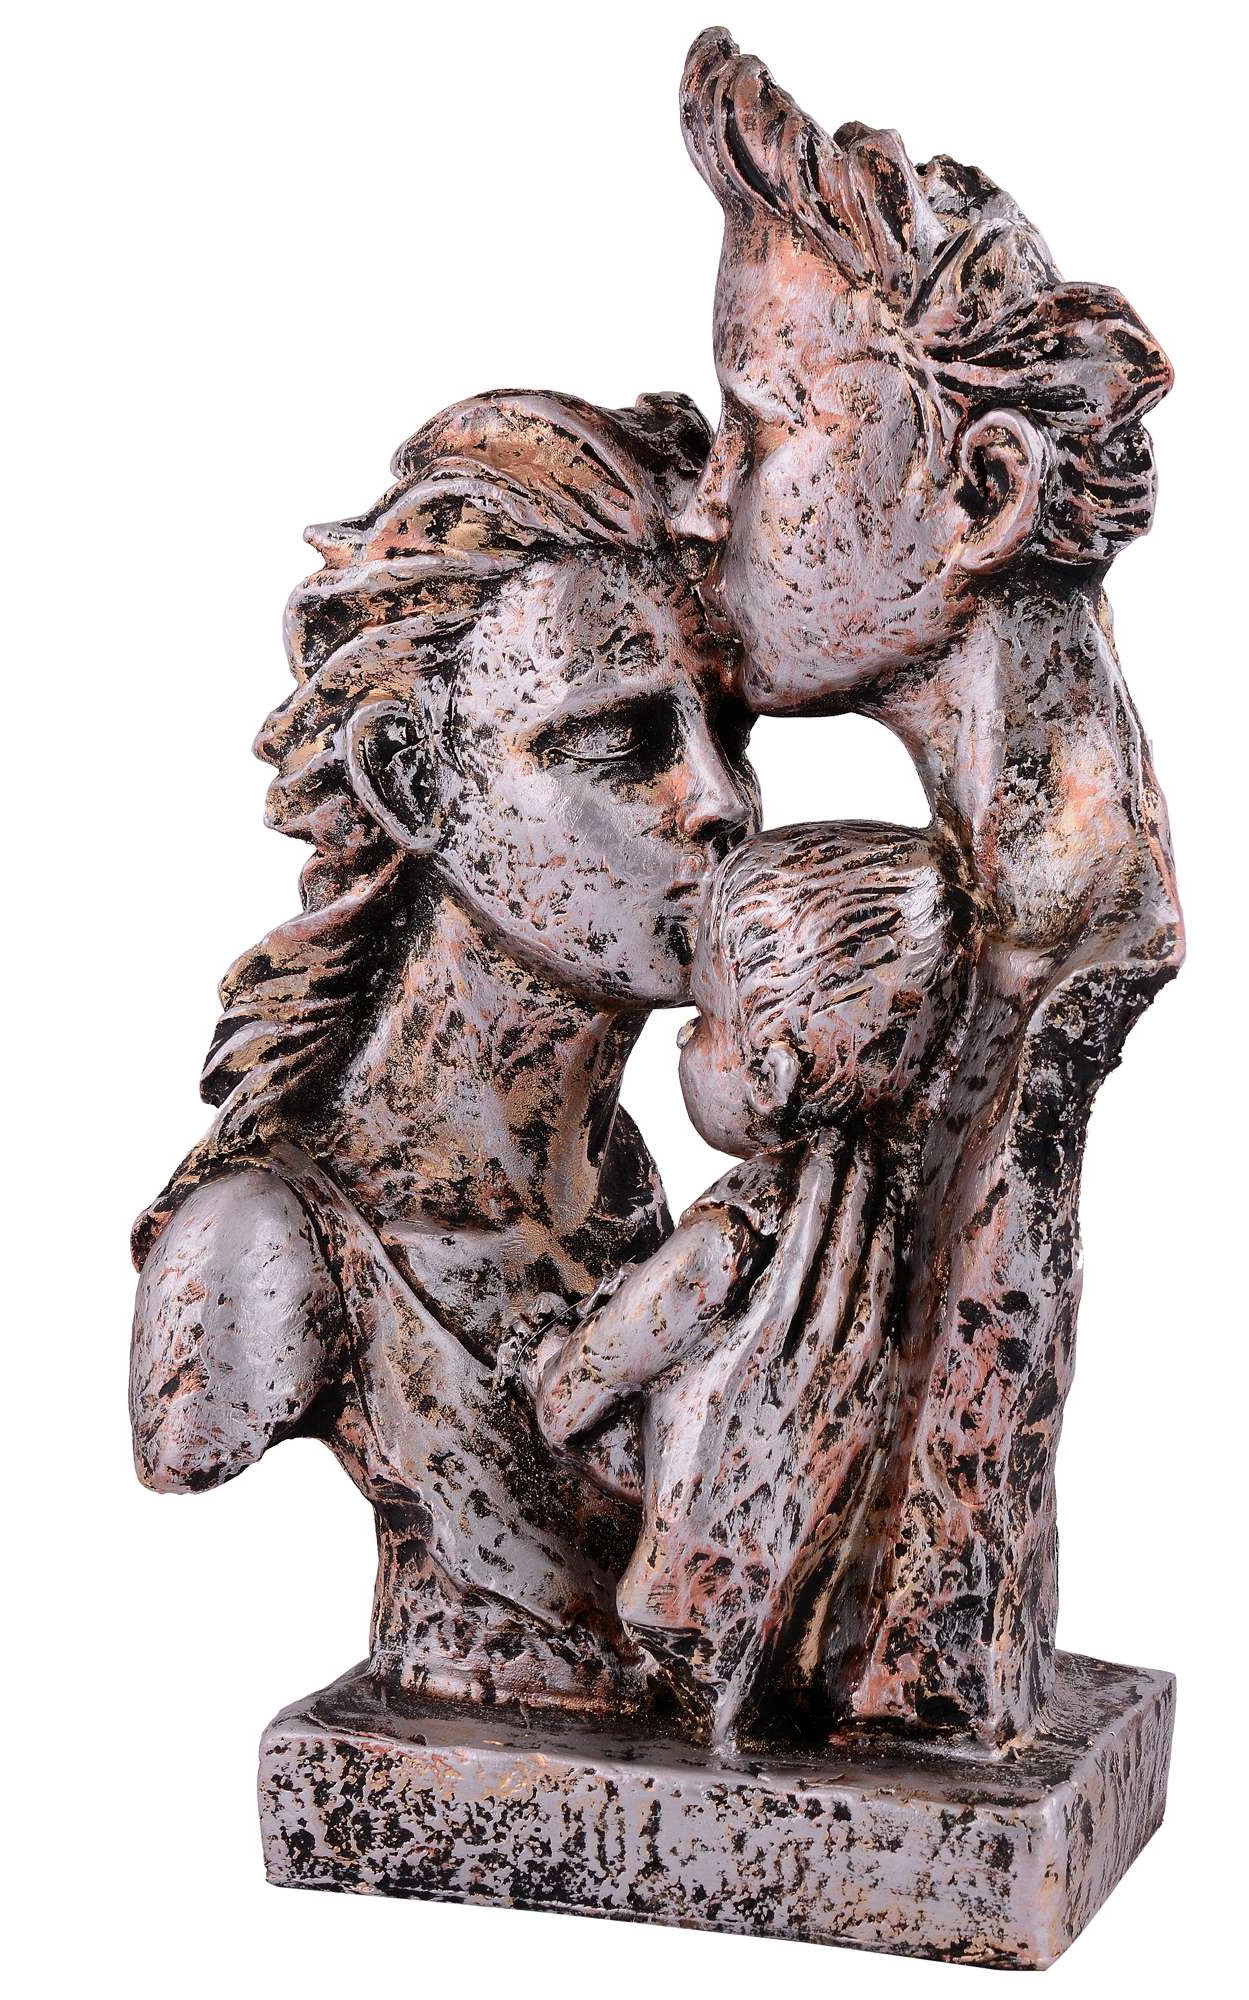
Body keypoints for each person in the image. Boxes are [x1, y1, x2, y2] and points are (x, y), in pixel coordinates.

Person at [675, 31, 1182, 1749]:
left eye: (763, 427)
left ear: (980, 494)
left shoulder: (1041, 950)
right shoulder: (977, 897)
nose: (709, 501)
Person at [129, 388, 757, 1716]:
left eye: (728, 731)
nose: (722, 801)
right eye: (624, 741)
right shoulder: (264, 1249)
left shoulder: (627, 1185)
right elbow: (191, 1429)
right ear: (414, 779)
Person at [516, 822, 974, 1748]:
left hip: (698, 1570)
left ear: (775, 1073)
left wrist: (556, 1376)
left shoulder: (743, 1225)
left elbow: (623, 1348)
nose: (683, 1043)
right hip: (799, 1569)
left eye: (703, 1024)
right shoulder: (882, 1220)